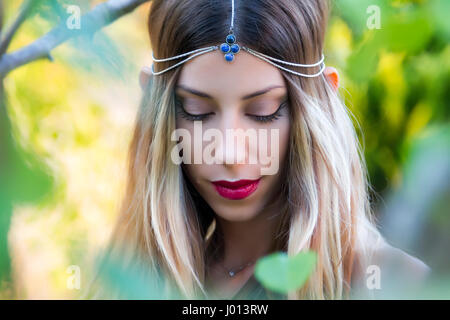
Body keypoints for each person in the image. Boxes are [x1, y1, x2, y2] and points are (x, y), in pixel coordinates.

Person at [87, 0, 430, 300]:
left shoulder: (396, 285)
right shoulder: (125, 284)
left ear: (321, 102)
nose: (229, 152)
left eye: (263, 111)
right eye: (196, 110)